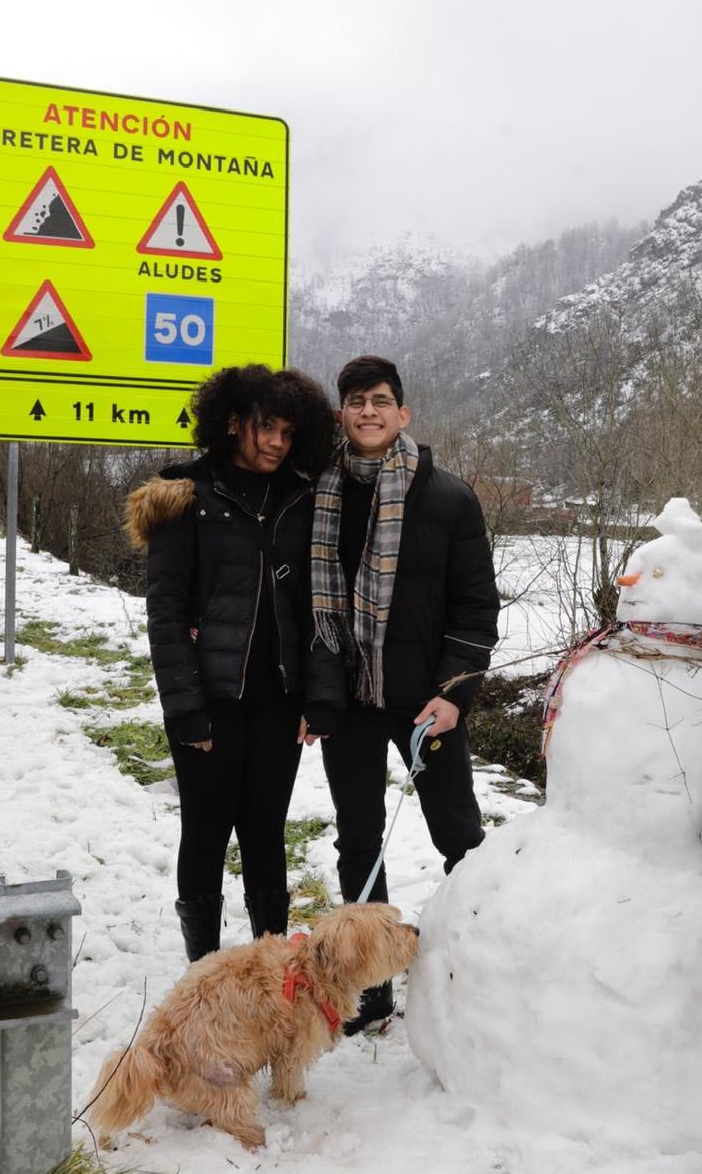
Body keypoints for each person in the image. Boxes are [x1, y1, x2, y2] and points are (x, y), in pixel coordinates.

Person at [305, 354, 500, 1032]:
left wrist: (453, 693)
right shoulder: (318, 493)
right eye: (355, 401)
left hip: (427, 702)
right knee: (358, 843)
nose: (368, 412)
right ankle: (374, 989)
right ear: (341, 414)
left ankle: (476, 969)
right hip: (351, 701)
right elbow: (306, 609)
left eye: (380, 401)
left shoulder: (446, 496)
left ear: (403, 413)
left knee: (459, 836)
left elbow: (476, 608)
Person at [126, 363, 337, 964]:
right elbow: (165, 614)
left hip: (280, 703)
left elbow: (317, 605)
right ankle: (207, 976)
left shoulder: (300, 497)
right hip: (208, 705)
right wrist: (184, 707)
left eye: (288, 432)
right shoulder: (186, 496)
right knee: (207, 833)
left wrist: (320, 696)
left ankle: (270, 968)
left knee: (267, 835)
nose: (276, 442)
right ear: (233, 421)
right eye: (265, 427)